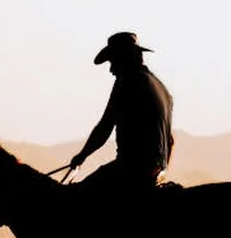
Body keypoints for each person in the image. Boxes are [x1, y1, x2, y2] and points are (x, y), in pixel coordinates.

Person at [68, 32, 176, 200]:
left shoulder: (127, 82)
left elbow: (105, 127)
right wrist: (160, 171)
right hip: (157, 172)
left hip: (132, 170)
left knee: (78, 199)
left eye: (113, 62)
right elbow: (170, 141)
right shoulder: (163, 89)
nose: (111, 70)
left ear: (125, 57)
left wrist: (81, 156)